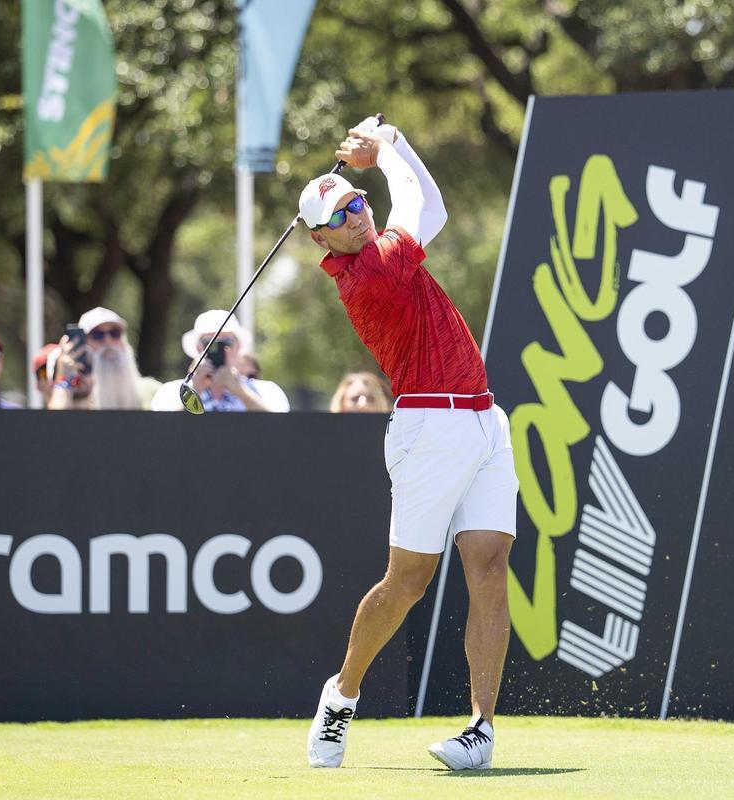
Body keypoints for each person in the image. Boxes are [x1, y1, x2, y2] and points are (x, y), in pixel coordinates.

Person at [301, 118, 518, 771]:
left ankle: (480, 730)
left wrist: (398, 145)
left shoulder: (384, 246)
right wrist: (385, 150)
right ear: (321, 238)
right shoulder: (367, 275)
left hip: (483, 418)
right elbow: (419, 204)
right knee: (407, 584)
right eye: (341, 213)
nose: (358, 215)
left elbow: (435, 206)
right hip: (429, 425)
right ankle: (341, 695)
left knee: (488, 571)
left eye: (358, 199)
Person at [151, 310, 290, 412]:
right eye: (208, 344)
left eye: (226, 343)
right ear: (198, 348)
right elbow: (162, 434)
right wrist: (194, 390)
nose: (218, 351)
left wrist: (240, 391)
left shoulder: (266, 391)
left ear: (238, 346)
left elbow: (281, 431)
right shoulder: (171, 392)